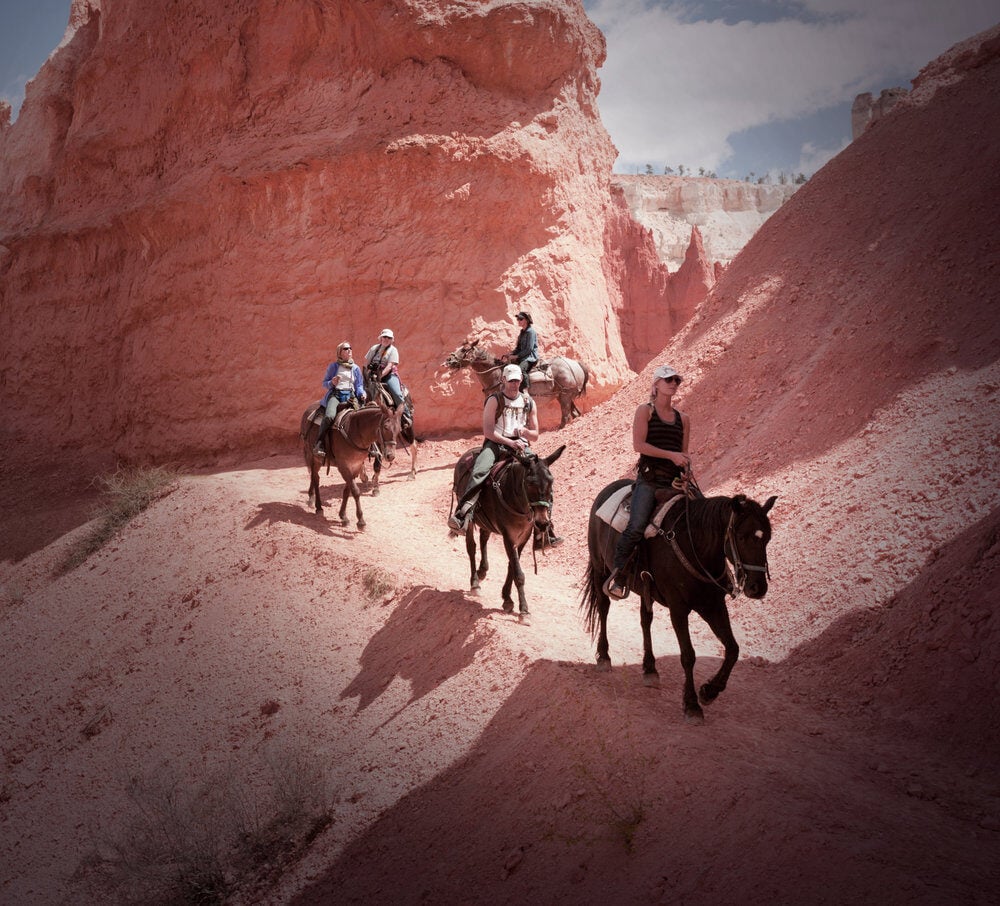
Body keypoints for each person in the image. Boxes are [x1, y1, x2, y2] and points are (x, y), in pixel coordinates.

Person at [604, 364, 692, 599]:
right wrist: (671, 456)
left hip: (674, 482)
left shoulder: (684, 419)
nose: (673, 383)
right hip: (650, 481)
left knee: (706, 517)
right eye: (668, 379)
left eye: (676, 380)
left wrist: (684, 468)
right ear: (656, 384)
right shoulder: (645, 411)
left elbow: (682, 453)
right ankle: (620, 576)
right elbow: (639, 446)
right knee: (636, 526)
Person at [448, 363, 539, 533]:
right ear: (503, 380)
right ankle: (462, 514)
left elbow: (535, 435)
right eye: (511, 380)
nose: (514, 384)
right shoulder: (494, 400)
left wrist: (525, 432)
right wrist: (510, 442)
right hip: (496, 444)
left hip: (520, 445)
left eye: (517, 381)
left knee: (541, 474)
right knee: (479, 471)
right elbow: (488, 432)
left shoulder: (528, 402)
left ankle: (546, 529)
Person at [313, 341, 366, 457]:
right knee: (329, 416)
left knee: (364, 417)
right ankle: (319, 443)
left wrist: (362, 393)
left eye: (350, 348)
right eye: (346, 349)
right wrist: (331, 382)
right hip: (336, 395)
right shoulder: (334, 366)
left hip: (351, 396)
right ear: (340, 353)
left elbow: (359, 385)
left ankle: (372, 447)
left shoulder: (355, 368)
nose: (349, 350)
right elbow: (324, 383)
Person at [365, 328, 405, 411]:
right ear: (381, 338)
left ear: (391, 340)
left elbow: (389, 366)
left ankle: (405, 415)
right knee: (359, 391)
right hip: (372, 375)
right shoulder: (374, 348)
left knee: (397, 394)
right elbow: (367, 363)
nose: (386, 339)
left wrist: (380, 376)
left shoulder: (393, 350)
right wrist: (366, 374)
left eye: (389, 338)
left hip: (388, 375)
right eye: (385, 337)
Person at [502, 311, 538, 389]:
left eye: (520, 319)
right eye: (518, 319)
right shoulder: (522, 332)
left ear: (527, 320)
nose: (518, 320)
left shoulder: (531, 332)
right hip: (522, 357)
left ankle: (525, 389)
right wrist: (510, 353)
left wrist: (516, 356)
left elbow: (529, 349)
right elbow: (518, 348)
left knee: (520, 370)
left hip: (529, 358)